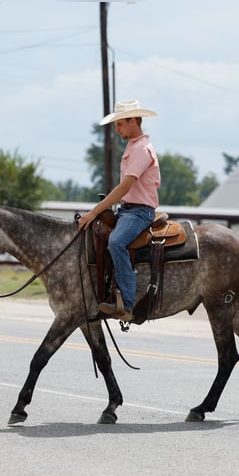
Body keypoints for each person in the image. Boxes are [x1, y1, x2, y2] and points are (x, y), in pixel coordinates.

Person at [78, 100, 160, 322]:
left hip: (140, 212)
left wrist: (94, 211)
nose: (117, 129)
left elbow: (124, 187)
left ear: (133, 121)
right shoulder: (133, 146)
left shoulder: (142, 150)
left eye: (120, 124)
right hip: (127, 210)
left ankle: (127, 303)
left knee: (116, 242)